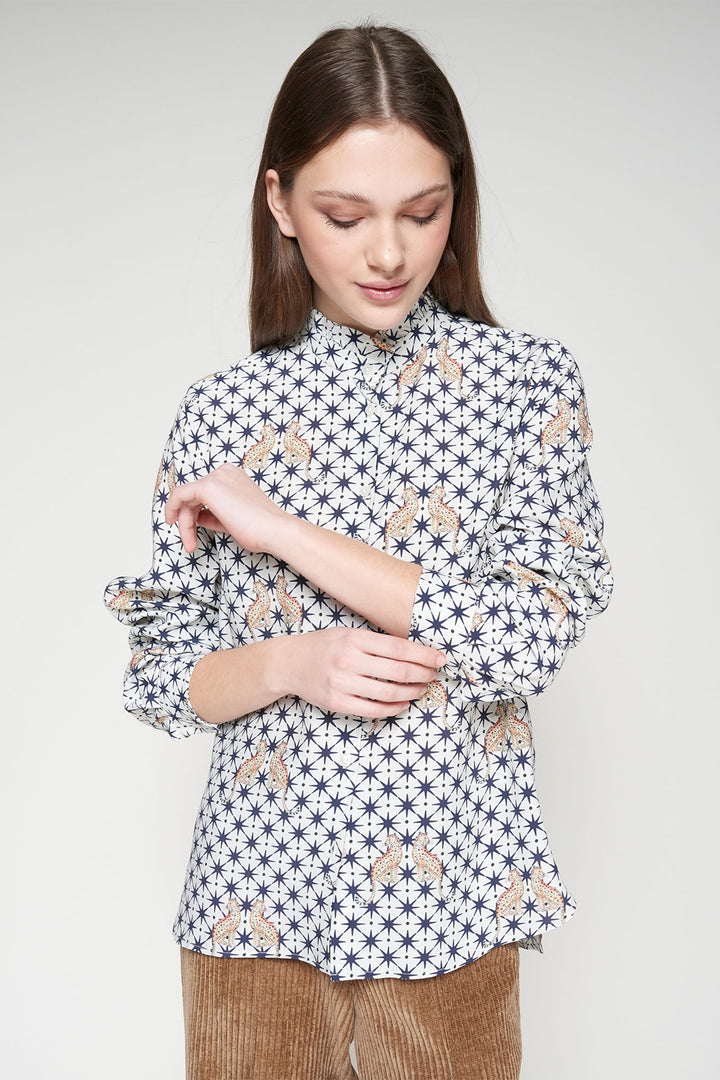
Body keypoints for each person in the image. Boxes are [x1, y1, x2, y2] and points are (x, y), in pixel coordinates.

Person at [104, 21, 613, 1080]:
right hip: (254, 913)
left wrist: (283, 532)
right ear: (282, 203)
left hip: (449, 915)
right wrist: (292, 663)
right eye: (345, 216)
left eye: (422, 212)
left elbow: (523, 642)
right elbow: (158, 677)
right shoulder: (220, 413)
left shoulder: (527, 390)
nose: (388, 253)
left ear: (454, 203)